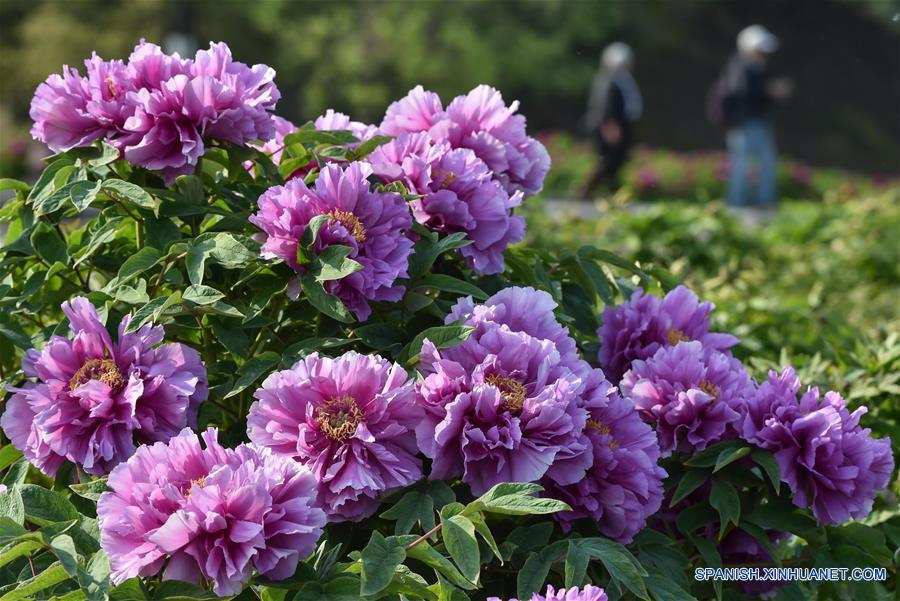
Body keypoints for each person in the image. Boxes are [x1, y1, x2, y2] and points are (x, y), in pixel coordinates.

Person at [715, 25, 793, 208]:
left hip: (754, 122)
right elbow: (743, 96)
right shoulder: (742, 68)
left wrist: (770, 95)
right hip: (745, 123)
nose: (764, 54)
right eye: (761, 49)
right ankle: (739, 205)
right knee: (743, 165)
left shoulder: (756, 69)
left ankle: (758, 202)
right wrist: (770, 92)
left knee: (759, 164)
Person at [582, 42, 643, 197]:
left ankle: (611, 192)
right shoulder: (607, 80)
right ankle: (588, 191)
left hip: (622, 125)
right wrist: (610, 125)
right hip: (611, 127)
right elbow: (604, 106)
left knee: (617, 160)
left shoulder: (623, 79)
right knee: (607, 160)